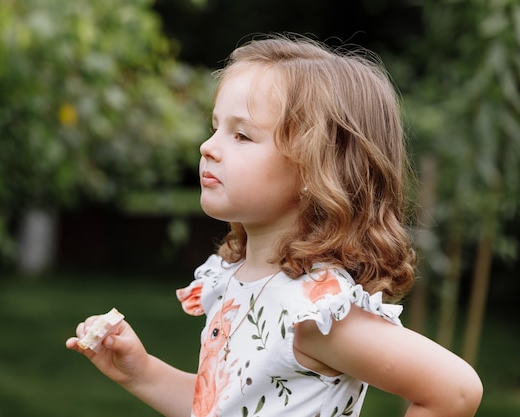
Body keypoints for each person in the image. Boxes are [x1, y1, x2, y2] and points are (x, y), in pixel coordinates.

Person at [66, 34, 483, 417]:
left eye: (242, 136)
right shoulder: (234, 280)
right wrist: (141, 373)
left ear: (315, 170)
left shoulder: (314, 314)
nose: (207, 148)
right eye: (216, 129)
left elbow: (455, 391)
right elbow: (226, 406)